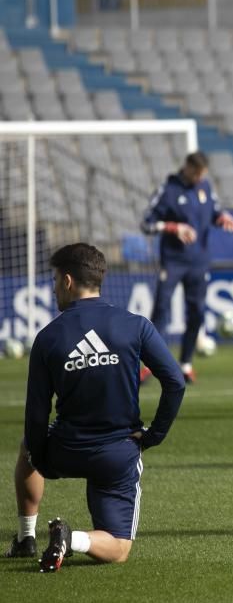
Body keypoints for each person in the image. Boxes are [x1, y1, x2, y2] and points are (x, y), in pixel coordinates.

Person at [4, 243, 185, 571]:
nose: (55, 287)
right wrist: (153, 435)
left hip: (65, 449)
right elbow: (175, 382)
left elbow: (36, 412)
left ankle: (25, 537)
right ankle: (72, 538)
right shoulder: (135, 325)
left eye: (56, 280)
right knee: (118, 547)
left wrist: (39, 453)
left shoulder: (47, 338)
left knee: (25, 448)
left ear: (69, 281)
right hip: (118, 453)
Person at [140, 151, 233, 384]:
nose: (198, 179)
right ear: (187, 167)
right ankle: (147, 365)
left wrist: (222, 217)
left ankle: (185, 364)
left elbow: (214, 212)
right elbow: (146, 223)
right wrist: (174, 228)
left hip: (199, 261)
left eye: (202, 175)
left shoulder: (205, 187)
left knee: (196, 312)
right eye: (196, 174)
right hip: (173, 261)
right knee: (161, 310)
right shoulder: (169, 189)